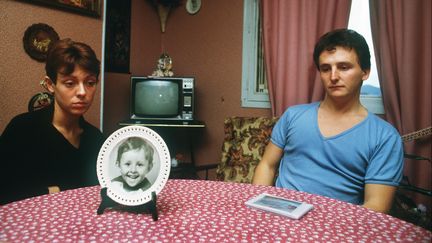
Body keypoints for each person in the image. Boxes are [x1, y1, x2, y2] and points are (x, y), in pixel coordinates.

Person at [252, 29, 403, 214]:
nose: (333, 76)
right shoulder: (293, 116)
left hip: (334, 228)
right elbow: (267, 165)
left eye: (344, 67)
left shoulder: (385, 137)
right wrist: (257, 208)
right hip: (277, 216)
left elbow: (376, 207)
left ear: (365, 72)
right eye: (325, 68)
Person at [0, 39, 105, 204]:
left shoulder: (96, 139)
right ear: (50, 84)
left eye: (90, 83)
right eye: (70, 83)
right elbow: (5, 188)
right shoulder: (22, 129)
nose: (82, 92)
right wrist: (52, 191)